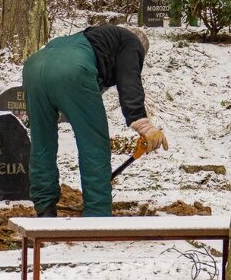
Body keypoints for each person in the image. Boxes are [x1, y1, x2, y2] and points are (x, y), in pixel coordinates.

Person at [22, 24, 168, 217]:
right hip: (72, 69)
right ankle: (97, 217)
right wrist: (142, 124)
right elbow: (129, 81)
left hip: (33, 67)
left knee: (42, 144)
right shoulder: (132, 42)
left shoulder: (93, 36)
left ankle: (45, 211)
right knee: (94, 147)